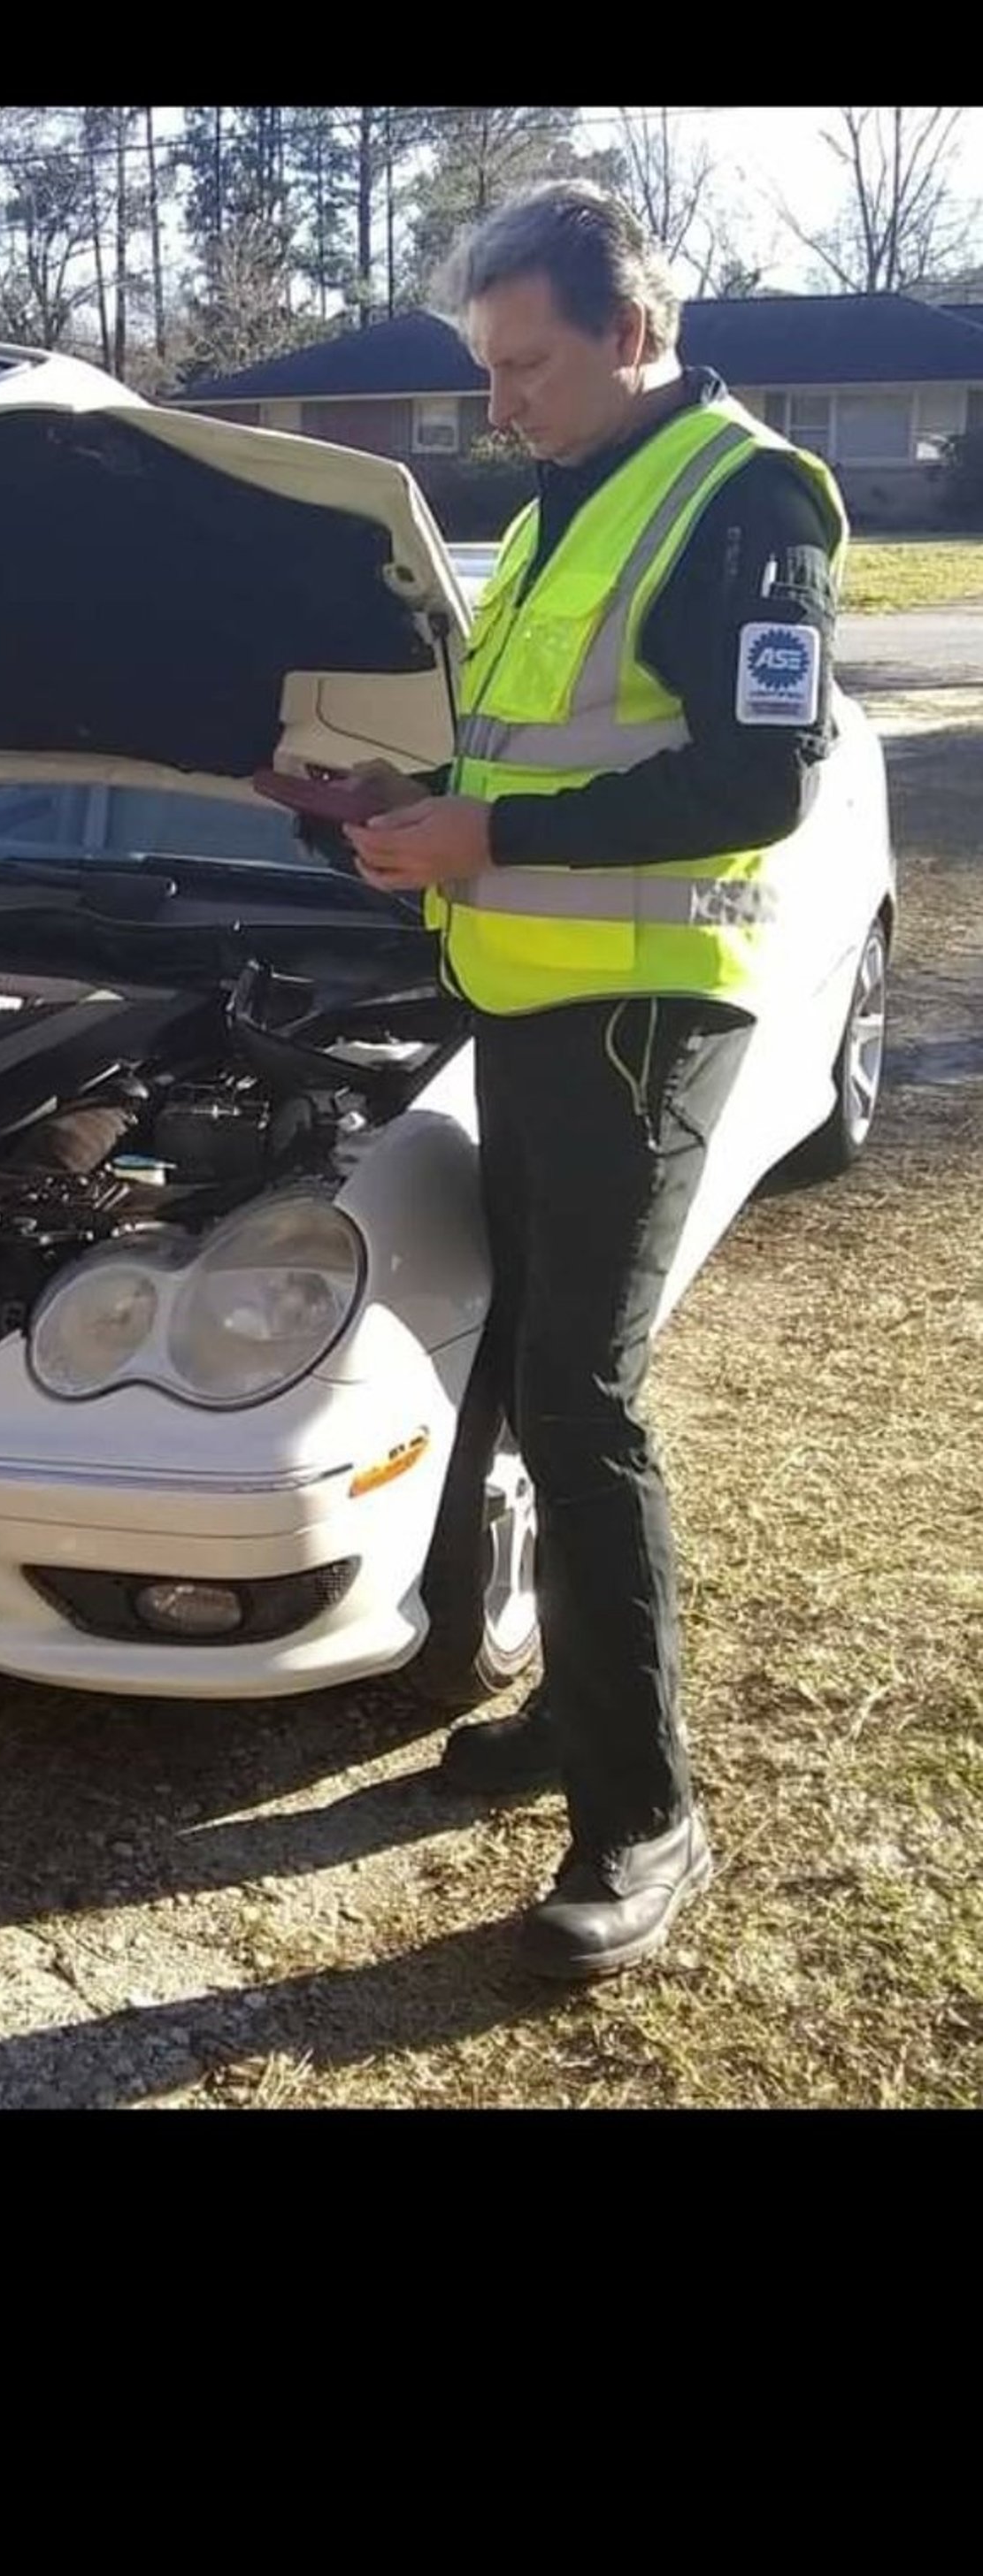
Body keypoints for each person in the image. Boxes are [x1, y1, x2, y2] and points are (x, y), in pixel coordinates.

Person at [344, 183, 844, 1981]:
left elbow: (755, 782)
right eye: (488, 372)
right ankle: (568, 1715)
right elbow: (506, 747)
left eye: (527, 365)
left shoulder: (747, 498)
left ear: (631, 331)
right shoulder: (564, 503)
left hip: (644, 1010)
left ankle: (646, 1821)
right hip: (532, 1003)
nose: (501, 405)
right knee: (535, 1369)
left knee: (583, 1402)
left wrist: (494, 827)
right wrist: (390, 819)